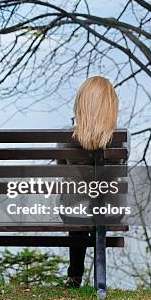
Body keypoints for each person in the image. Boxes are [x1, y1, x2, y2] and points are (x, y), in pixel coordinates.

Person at [58, 76, 129, 288]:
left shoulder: (66, 137)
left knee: (75, 207)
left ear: (81, 105)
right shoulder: (121, 139)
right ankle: (100, 276)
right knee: (100, 205)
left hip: (73, 210)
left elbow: (61, 168)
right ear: (110, 106)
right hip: (110, 210)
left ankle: (74, 275)